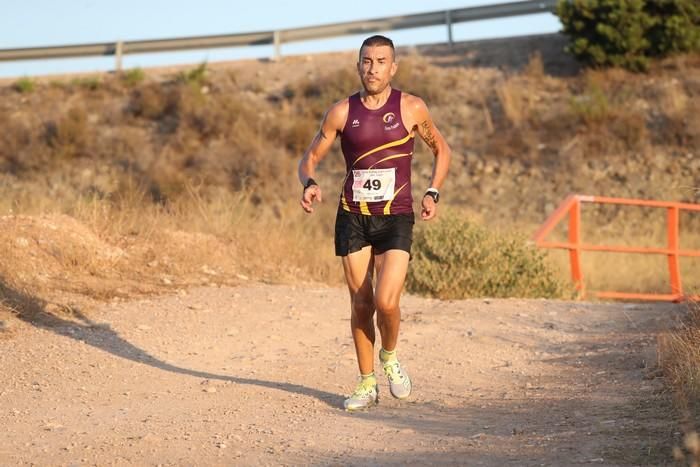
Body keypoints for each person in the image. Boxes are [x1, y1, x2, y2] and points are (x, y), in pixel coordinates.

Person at [297, 35, 451, 411]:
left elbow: (441, 149)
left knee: (386, 301)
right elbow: (310, 157)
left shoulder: (412, 107)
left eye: (381, 61)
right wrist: (310, 183)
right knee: (362, 303)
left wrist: (432, 191)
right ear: (358, 65)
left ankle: (390, 357)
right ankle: (367, 383)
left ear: (393, 67)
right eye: (367, 61)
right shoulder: (340, 112)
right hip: (353, 216)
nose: (373, 68)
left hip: (396, 216)